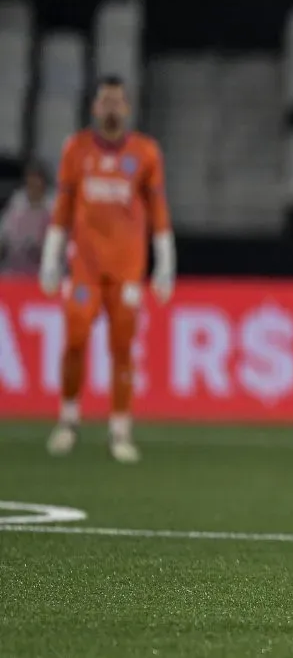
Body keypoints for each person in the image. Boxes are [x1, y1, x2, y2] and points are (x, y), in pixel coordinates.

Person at [39, 75, 176, 464]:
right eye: (105, 101)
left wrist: (164, 264)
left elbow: (159, 212)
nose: (111, 108)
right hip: (84, 267)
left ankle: (120, 428)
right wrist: (51, 259)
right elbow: (63, 208)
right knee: (76, 339)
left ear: (127, 108)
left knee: (122, 348)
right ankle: (68, 419)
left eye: (117, 101)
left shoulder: (146, 152)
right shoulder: (76, 149)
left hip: (127, 270)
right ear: (94, 107)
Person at [0, 161, 54, 276]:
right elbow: (3, 237)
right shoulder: (17, 203)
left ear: (44, 183)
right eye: (30, 180)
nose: (33, 184)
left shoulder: (51, 208)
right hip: (12, 270)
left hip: (39, 273)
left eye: (37, 180)